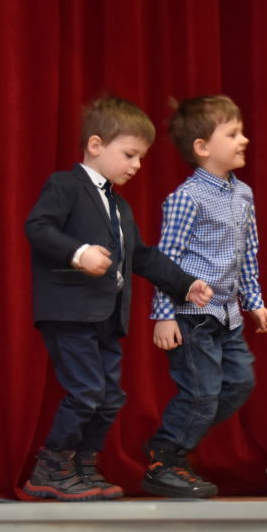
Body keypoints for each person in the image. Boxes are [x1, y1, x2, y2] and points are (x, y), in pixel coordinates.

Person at [23, 95, 212, 501]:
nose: (137, 165)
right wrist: (79, 253)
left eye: (141, 157)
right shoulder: (65, 186)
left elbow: (141, 256)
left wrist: (185, 283)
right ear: (96, 145)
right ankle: (50, 470)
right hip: (71, 313)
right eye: (129, 154)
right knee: (86, 391)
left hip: (107, 318)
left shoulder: (120, 206)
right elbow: (38, 227)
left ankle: (82, 466)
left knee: (109, 397)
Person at [144, 95, 267, 498]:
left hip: (228, 314)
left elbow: (247, 254)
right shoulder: (187, 198)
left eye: (242, 132)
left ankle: (180, 439)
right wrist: (164, 314)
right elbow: (166, 260)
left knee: (239, 383)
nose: (244, 140)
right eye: (233, 134)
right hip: (191, 315)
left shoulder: (244, 194)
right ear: (202, 147)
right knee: (201, 392)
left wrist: (254, 302)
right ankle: (165, 458)